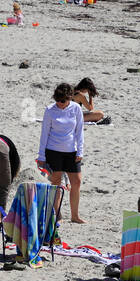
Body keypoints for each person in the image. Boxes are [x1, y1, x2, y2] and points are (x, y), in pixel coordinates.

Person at [37, 83, 85, 223]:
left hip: (72, 151)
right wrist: (41, 156)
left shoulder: (76, 108)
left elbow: (79, 131)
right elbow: (44, 133)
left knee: (76, 182)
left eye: (63, 101)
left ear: (70, 98)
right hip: (53, 151)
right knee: (56, 183)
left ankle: (75, 216)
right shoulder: (50, 110)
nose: (60, 103)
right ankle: (56, 215)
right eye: (57, 100)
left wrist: (80, 151)